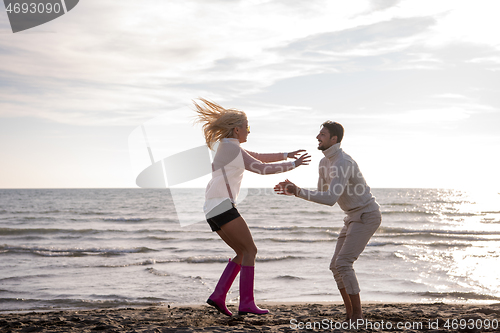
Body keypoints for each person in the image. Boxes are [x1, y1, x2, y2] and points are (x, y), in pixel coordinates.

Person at [194, 98, 310, 316]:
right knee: (251, 250)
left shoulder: (229, 147)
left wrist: (286, 155)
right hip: (221, 204)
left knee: (241, 251)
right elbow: (261, 168)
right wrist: (294, 165)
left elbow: (257, 157)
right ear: (237, 129)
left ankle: (218, 296)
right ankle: (246, 303)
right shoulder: (231, 148)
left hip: (212, 206)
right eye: (247, 128)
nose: (249, 131)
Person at [274, 121, 381, 321]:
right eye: (319, 133)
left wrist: (298, 191)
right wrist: (296, 191)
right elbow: (323, 194)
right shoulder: (324, 163)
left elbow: (331, 199)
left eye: (322, 134)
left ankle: (357, 316)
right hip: (351, 216)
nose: (317, 137)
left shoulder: (343, 162)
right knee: (335, 265)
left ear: (334, 139)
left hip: (367, 214)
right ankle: (350, 314)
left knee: (343, 263)